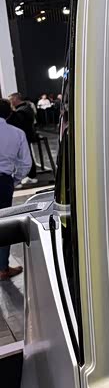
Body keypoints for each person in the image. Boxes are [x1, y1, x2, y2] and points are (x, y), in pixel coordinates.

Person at [0, 99, 32, 280]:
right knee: (3, 223)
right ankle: (2, 268)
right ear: (9, 113)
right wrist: (14, 180)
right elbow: (26, 163)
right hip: (3, 181)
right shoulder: (17, 133)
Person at [8, 92, 37, 186]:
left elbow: (19, 124)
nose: (10, 102)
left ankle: (30, 175)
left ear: (15, 99)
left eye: (10, 100)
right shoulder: (25, 108)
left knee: (24, 156)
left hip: (25, 136)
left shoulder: (22, 111)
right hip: (25, 135)